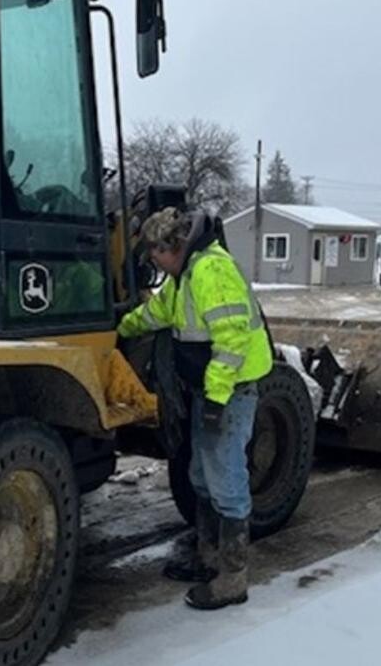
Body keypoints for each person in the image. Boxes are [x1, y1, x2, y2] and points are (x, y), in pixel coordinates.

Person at [117, 207, 273, 610]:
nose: (152, 261)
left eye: (154, 253)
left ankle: (232, 580)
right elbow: (157, 313)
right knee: (201, 476)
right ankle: (208, 559)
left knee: (226, 480)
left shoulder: (211, 271)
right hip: (210, 389)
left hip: (232, 390)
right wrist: (116, 330)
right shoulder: (183, 276)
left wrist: (217, 399)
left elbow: (232, 339)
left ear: (172, 247)